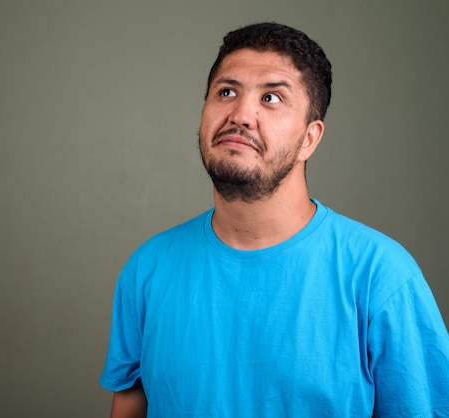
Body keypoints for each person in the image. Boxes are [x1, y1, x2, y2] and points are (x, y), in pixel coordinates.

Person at [99, 22, 449, 417]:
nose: (241, 115)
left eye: (272, 98)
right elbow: (130, 402)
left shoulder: (381, 276)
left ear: (309, 139)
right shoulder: (148, 268)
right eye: (226, 92)